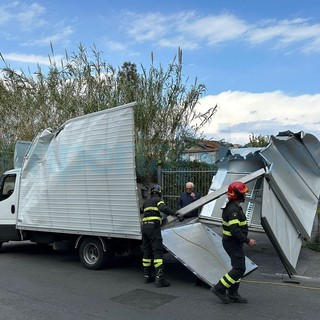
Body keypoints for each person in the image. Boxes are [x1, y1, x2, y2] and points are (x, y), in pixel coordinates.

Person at [210, 181, 257, 304]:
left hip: (233, 242)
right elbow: (235, 231)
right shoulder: (233, 210)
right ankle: (219, 288)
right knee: (239, 269)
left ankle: (233, 293)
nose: (245, 196)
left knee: (237, 268)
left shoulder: (234, 206)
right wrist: (248, 241)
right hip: (232, 243)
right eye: (244, 194)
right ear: (238, 195)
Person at [141, 184, 177, 287]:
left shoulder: (146, 202)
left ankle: (147, 277)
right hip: (153, 228)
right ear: (159, 192)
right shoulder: (158, 200)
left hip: (144, 228)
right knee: (157, 252)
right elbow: (163, 208)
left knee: (147, 252)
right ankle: (160, 279)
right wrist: (175, 213)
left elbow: (141, 210)